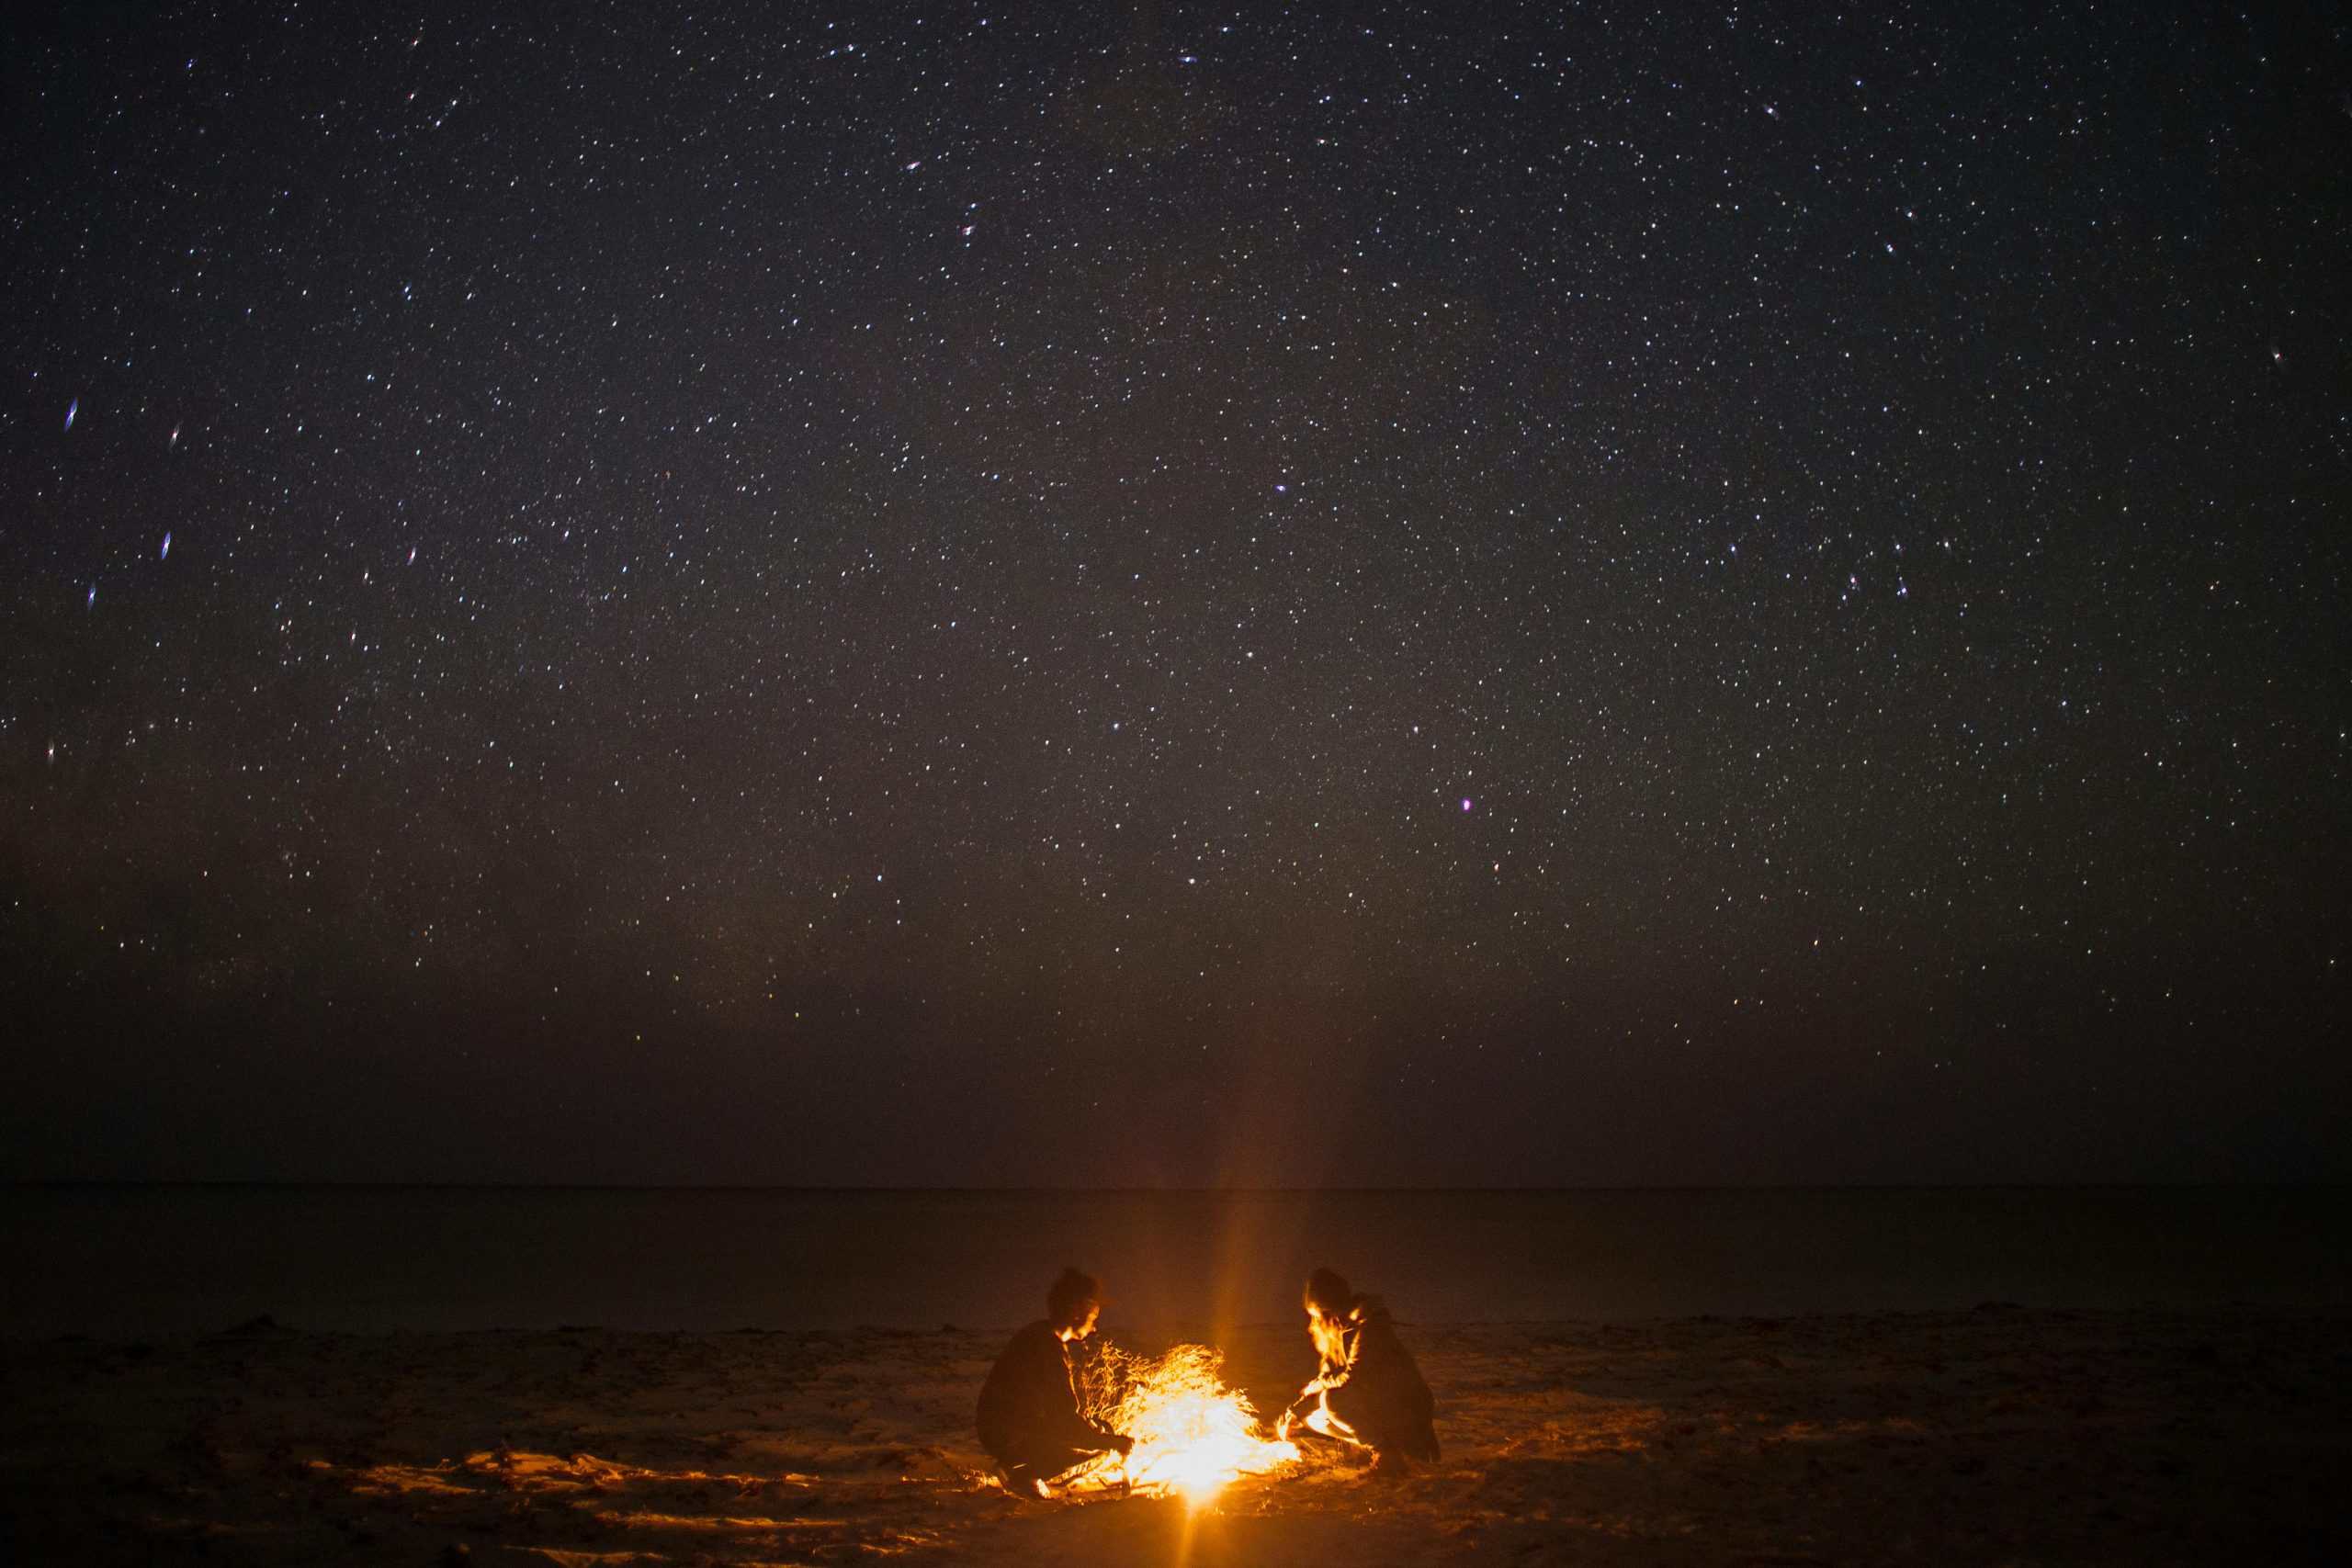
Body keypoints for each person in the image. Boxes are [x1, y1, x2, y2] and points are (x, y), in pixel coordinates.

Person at [976, 1267, 1134, 1498]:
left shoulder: (1037, 1335)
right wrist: (1111, 1442)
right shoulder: (1049, 1349)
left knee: (1097, 1433)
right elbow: (1064, 1420)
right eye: (1093, 1318)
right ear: (1078, 1311)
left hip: (997, 1429)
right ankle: (1021, 1473)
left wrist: (1098, 1430)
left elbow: (1058, 1413)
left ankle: (1018, 1466)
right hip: (1011, 1435)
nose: (1094, 1327)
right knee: (1098, 1451)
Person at [1282, 1266, 1439, 1469]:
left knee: (1332, 1400)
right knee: (1312, 1417)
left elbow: (1353, 1376)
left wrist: (1315, 1385)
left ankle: (1388, 1454)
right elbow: (1328, 1376)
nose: (1315, 1322)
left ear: (1328, 1310)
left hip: (1406, 1411)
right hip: (1379, 1406)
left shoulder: (1368, 1325)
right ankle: (1373, 1448)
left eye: (1317, 1315)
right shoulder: (1338, 1332)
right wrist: (1295, 1411)